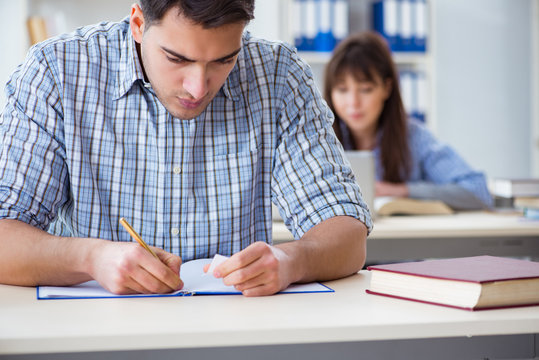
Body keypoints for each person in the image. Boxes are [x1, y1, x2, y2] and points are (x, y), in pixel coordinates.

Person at [0, 0, 371, 297]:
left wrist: (292, 260)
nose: (197, 87)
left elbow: (346, 233)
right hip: (93, 339)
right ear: (138, 23)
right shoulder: (55, 71)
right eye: (177, 59)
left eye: (224, 60)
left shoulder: (277, 75)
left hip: (236, 339)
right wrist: (89, 257)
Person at [323, 31, 493, 210]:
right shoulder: (320, 141)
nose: (353, 103)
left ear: (387, 88)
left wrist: (400, 191)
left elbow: (478, 192)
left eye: (365, 89)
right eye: (342, 90)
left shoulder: (415, 138)